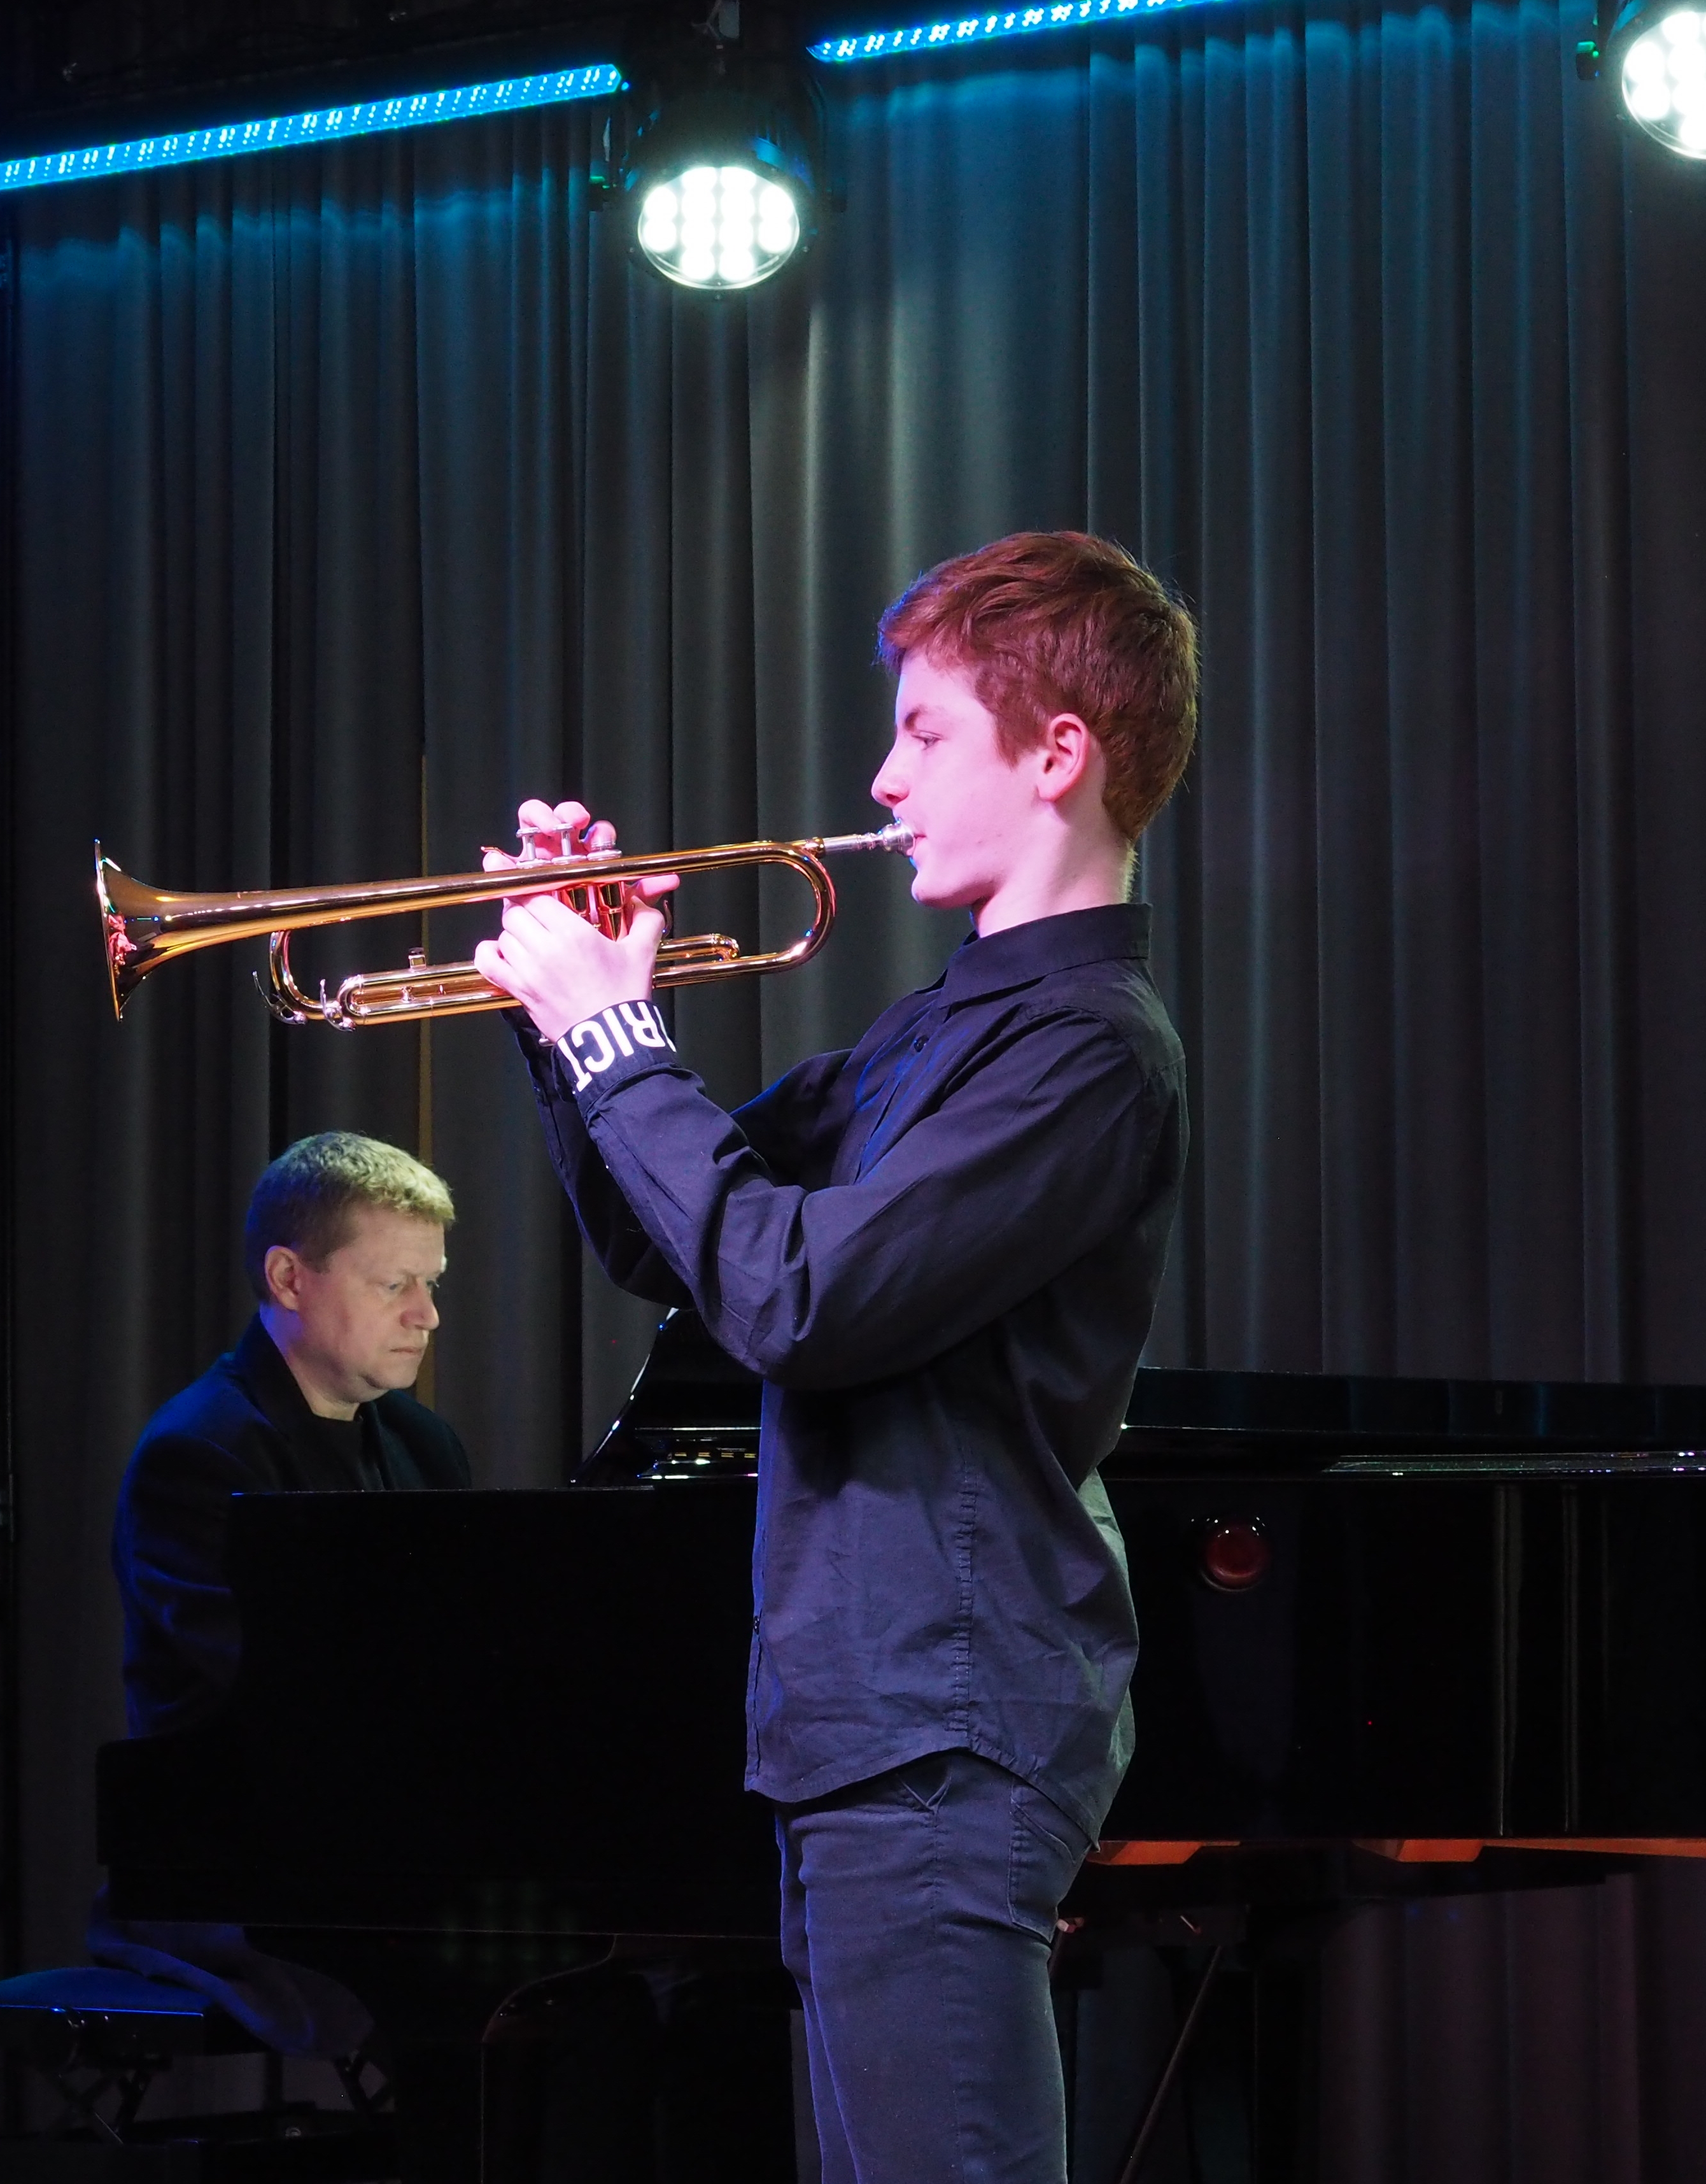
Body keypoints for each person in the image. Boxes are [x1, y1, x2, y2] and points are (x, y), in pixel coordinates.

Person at [473, 532, 1197, 2183]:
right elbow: (675, 1244)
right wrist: (561, 1006)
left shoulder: (1088, 1053)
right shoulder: (941, 1028)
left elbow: (801, 1301)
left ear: (1058, 755)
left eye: (925, 732)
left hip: (944, 1709)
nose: (883, 777)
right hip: (870, 1712)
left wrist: (611, 1033)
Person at [114, 1130, 471, 1739]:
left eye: (430, 1283)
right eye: (394, 1285)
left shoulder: (426, 1442)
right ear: (288, 1278)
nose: (427, 1315)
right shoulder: (196, 1455)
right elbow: (285, 1684)